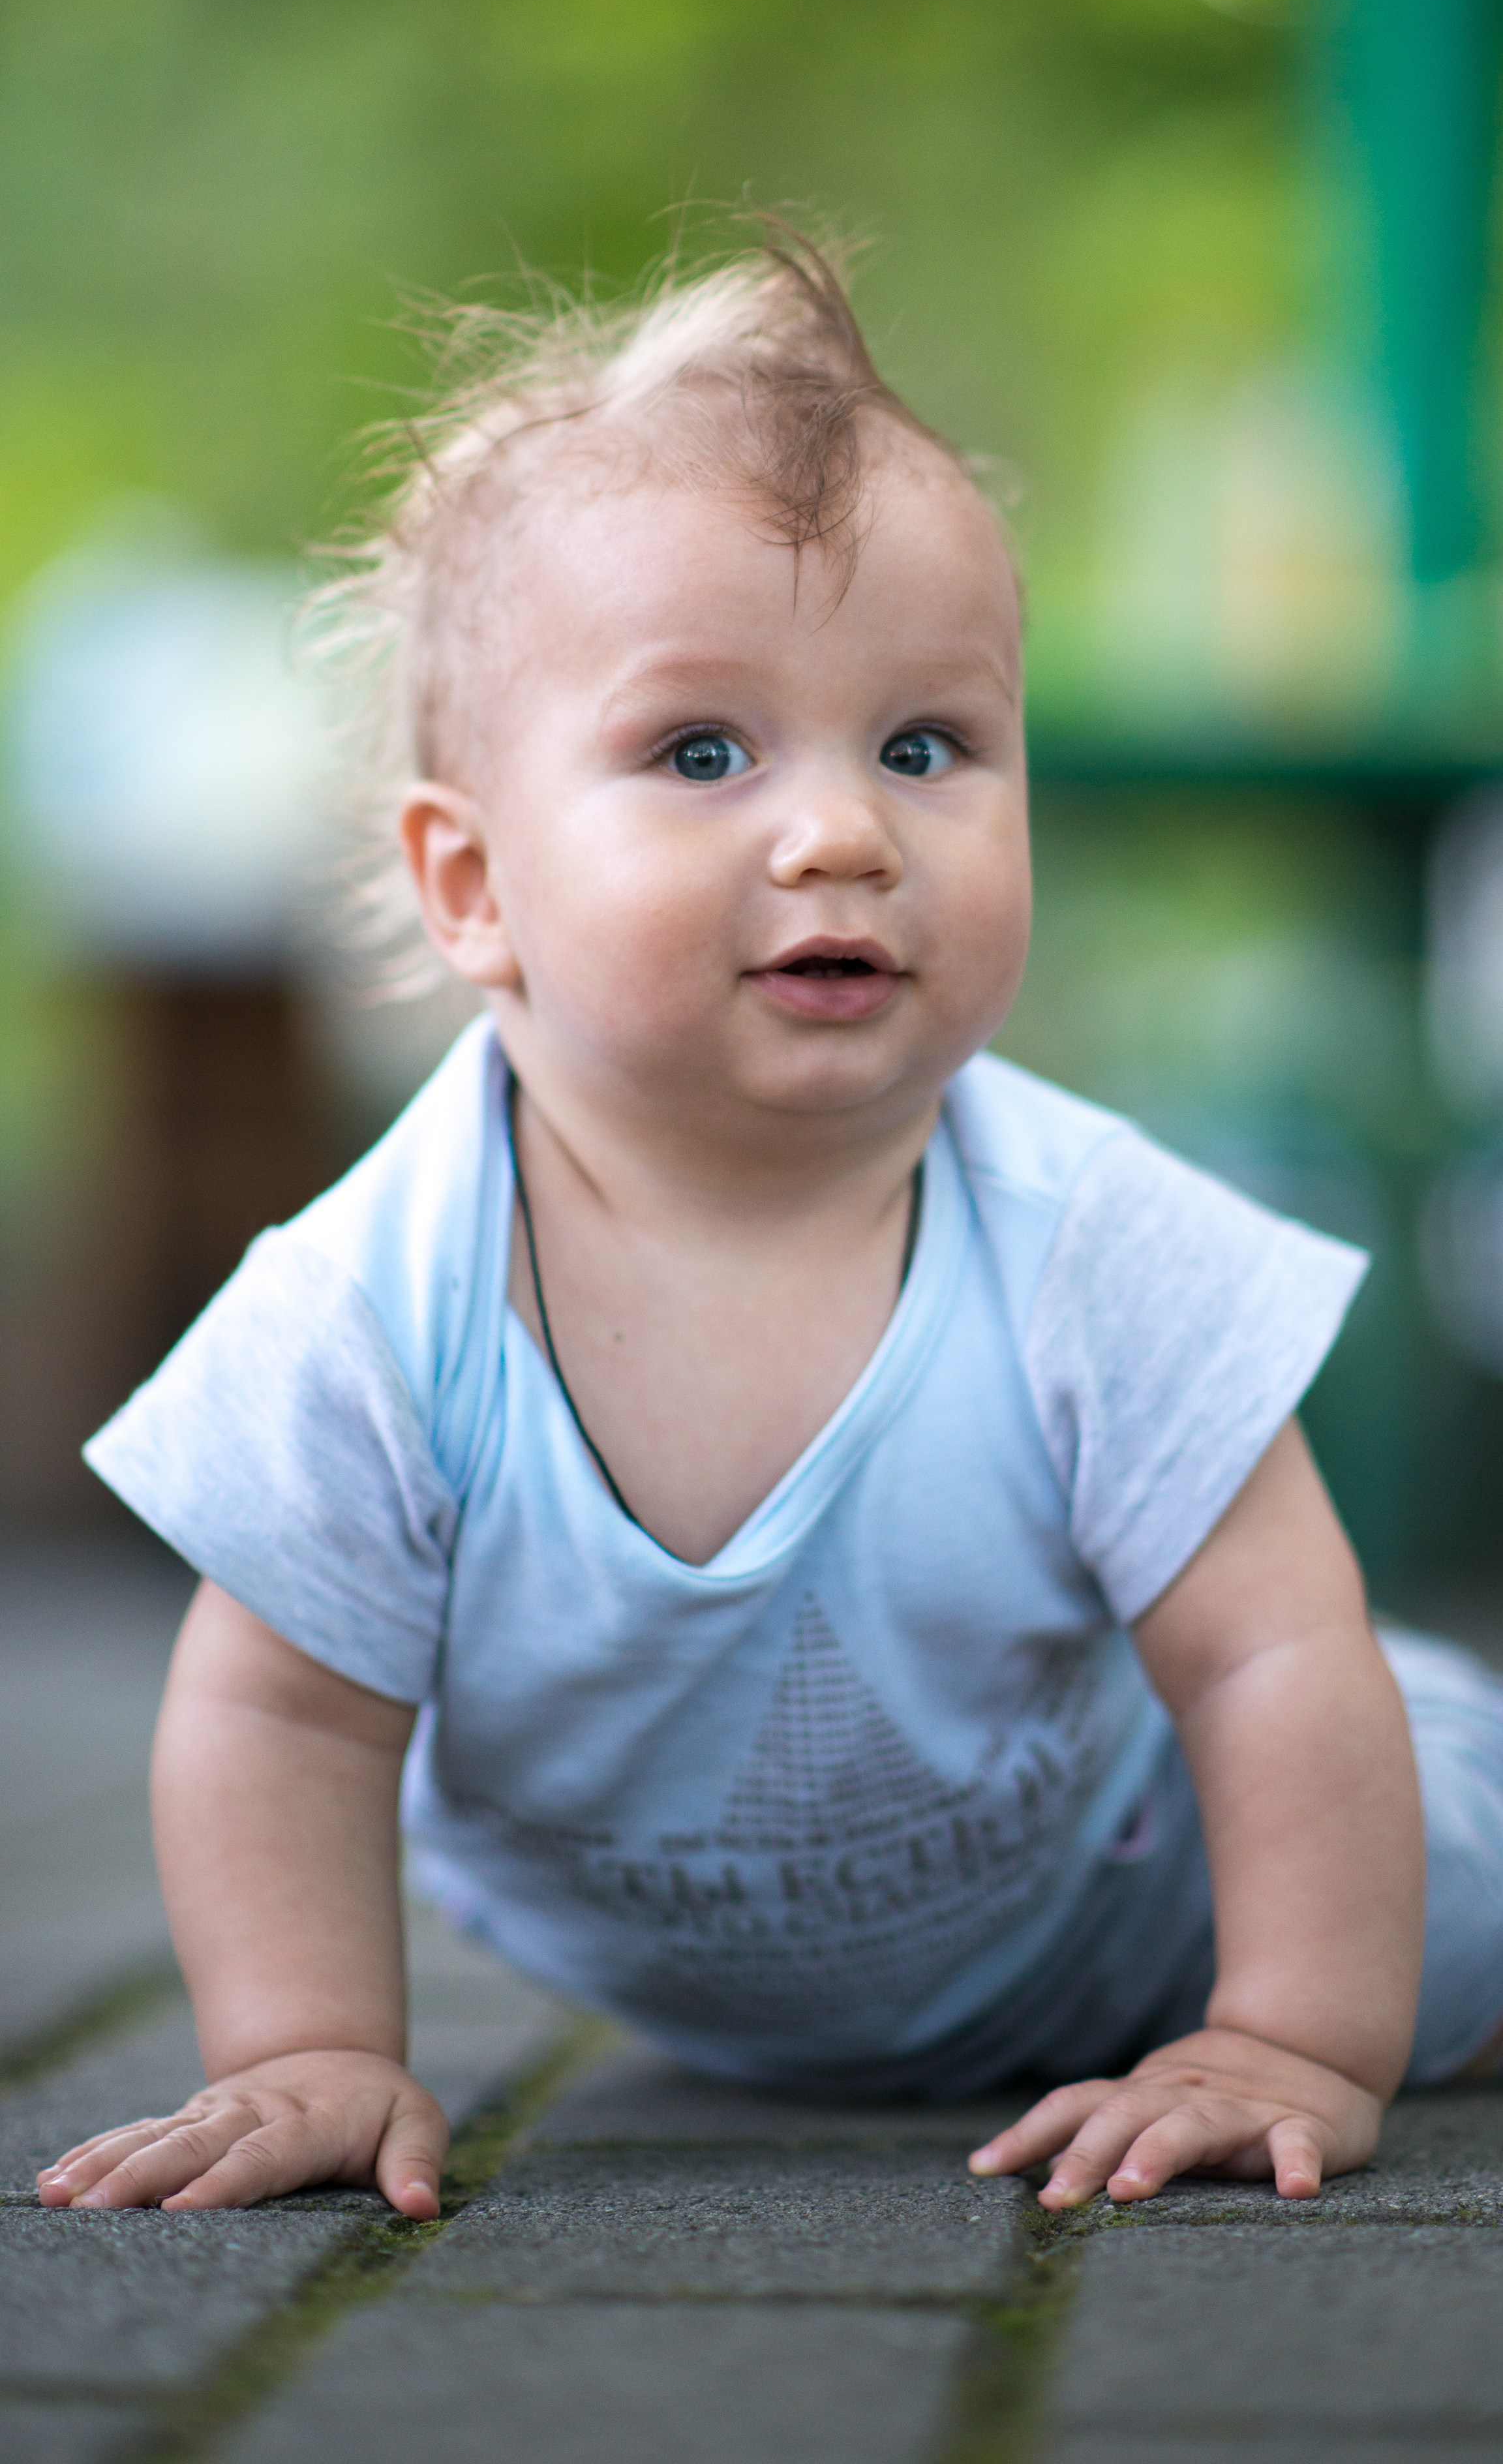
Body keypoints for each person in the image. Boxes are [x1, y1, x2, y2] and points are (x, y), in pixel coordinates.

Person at [39, 232, 1503, 2225]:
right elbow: (280, 1708)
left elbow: (1268, 1656)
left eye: (927, 746)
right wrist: (305, 2042)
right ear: (472, 885)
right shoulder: (369, 1305)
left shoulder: (1088, 1243)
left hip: (1165, 1900)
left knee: (1444, 1858)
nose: (842, 832)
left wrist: (1297, 2031)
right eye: (703, 753)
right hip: (733, 2006)